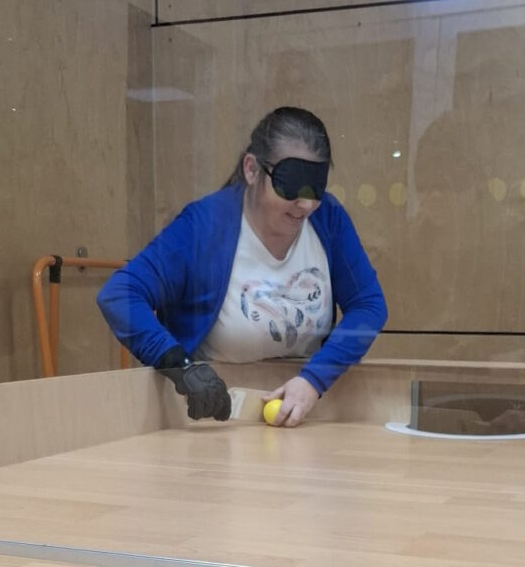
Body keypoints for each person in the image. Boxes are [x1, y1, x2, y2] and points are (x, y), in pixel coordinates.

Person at [97, 106, 387, 427]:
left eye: (315, 188)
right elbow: (120, 294)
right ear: (252, 170)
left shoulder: (328, 219)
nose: (305, 204)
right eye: (291, 185)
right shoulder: (204, 226)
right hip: (212, 416)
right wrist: (179, 365)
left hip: (301, 414)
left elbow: (368, 305)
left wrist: (314, 380)